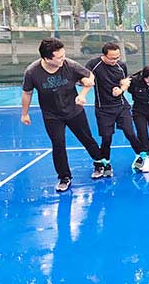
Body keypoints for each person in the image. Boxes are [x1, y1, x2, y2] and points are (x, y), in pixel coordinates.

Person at [20, 38, 105, 192]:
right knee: (58, 144)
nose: (63, 59)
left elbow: (89, 76)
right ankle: (64, 177)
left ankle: (100, 163)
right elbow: (27, 92)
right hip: (52, 115)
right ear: (47, 59)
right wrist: (24, 113)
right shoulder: (32, 72)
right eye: (59, 57)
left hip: (74, 111)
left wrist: (83, 93)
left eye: (63, 55)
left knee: (86, 138)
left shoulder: (69, 65)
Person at [84, 42, 145, 175]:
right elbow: (85, 79)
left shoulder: (121, 66)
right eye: (112, 58)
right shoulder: (93, 64)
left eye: (117, 57)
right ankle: (105, 164)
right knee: (106, 138)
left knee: (130, 133)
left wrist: (121, 90)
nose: (115, 60)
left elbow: (124, 83)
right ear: (104, 55)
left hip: (121, 106)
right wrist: (83, 89)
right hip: (103, 109)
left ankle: (141, 156)